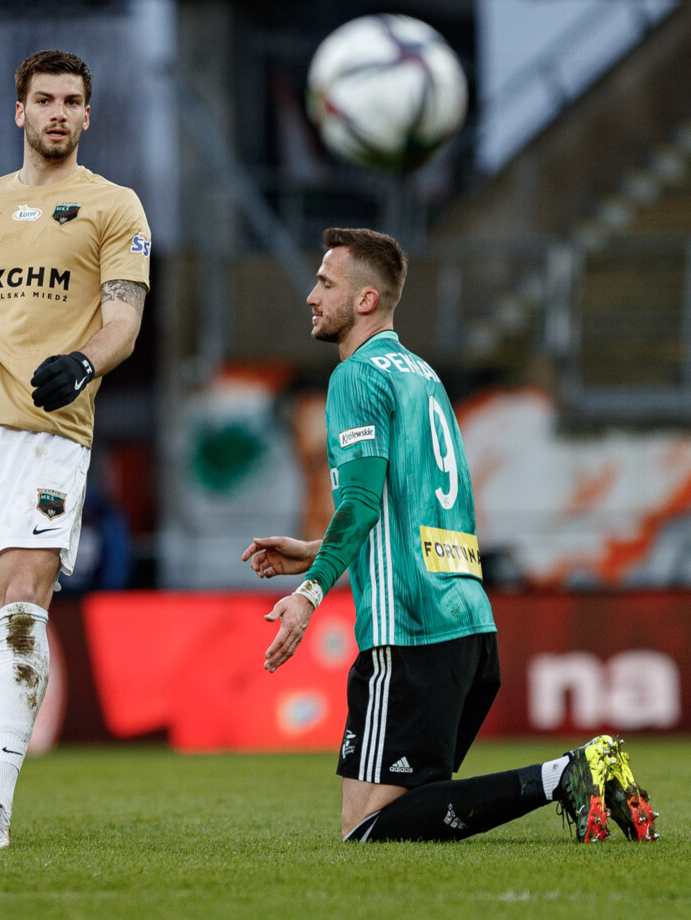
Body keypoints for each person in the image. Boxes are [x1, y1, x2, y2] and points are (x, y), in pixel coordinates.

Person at [242, 227, 657, 844]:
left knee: (367, 827)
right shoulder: (423, 377)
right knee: (421, 810)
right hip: (468, 625)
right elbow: (413, 505)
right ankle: (576, 775)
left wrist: (309, 592)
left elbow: (358, 500)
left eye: (325, 283)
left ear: (364, 301)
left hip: (409, 635)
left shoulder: (356, 378)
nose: (311, 296)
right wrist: (314, 549)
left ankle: (567, 775)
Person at [0, 49, 151, 849]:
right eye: (44, 100)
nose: (58, 113)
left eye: (73, 102)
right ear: (18, 111)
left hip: (47, 438)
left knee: (19, 618)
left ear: (89, 116)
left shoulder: (115, 207)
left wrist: (86, 361)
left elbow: (123, 318)